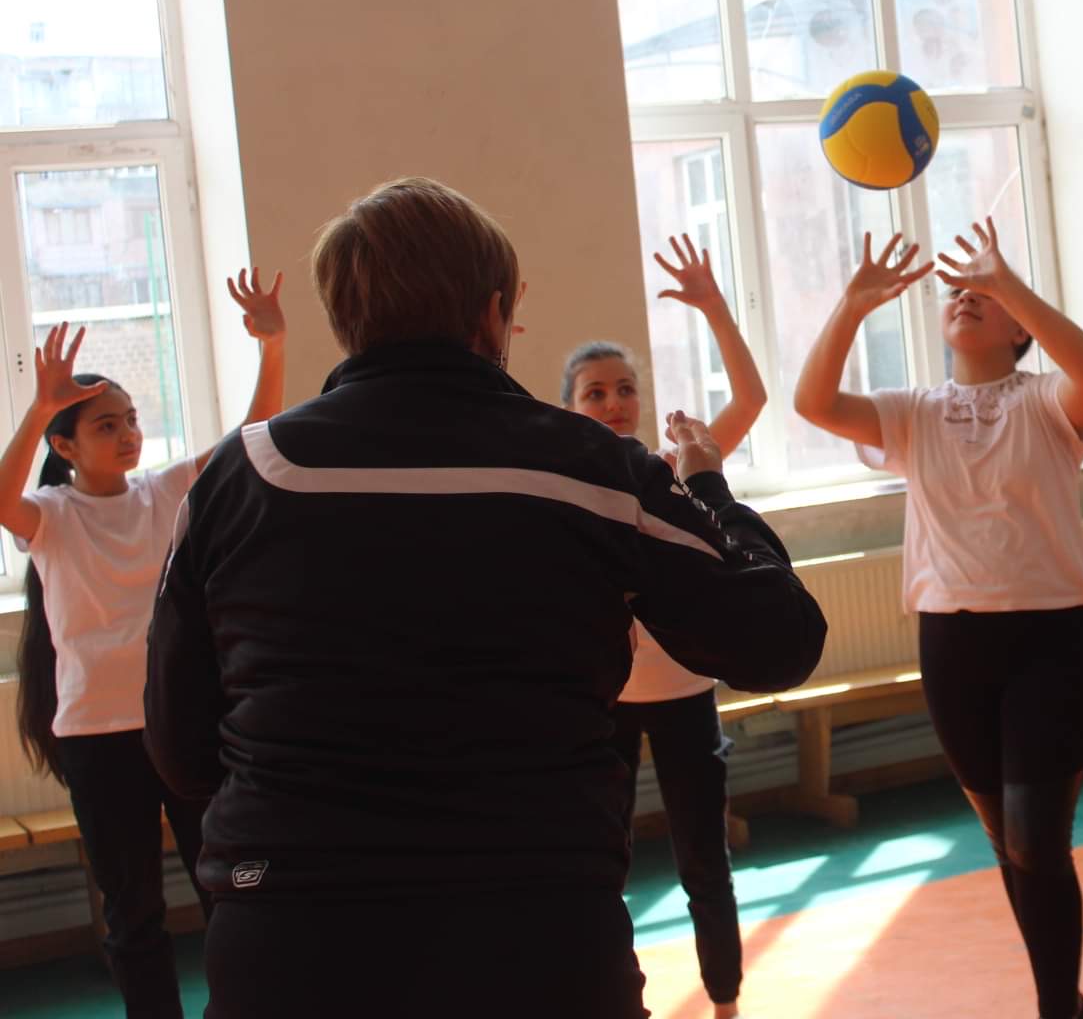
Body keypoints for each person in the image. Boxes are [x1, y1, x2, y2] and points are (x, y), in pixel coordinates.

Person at [143, 178, 825, 1019]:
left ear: (343, 314)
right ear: (494, 313)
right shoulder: (587, 467)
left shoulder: (238, 474)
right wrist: (711, 488)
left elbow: (179, 746)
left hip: (291, 926)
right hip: (534, 927)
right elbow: (781, 638)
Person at [793, 220, 1083, 1019]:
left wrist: (1010, 284)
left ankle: (1054, 1012)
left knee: (1038, 841)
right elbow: (815, 402)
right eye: (957, 295)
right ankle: (1064, 1001)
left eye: (984, 297)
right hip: (953, 643)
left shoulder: (1047, 400)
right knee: (1011, 842)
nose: (966, 300)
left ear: (1016, 326)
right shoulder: (914, 412)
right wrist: (852, 307)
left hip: (1051, 638)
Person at [4, 270, 287, 1019]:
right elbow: (3, 500)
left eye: (131, 419)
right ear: (65, 445)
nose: (128, 433)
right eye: (106, 425)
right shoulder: (53, 516)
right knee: (133, 912)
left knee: (222, 884)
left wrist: (274, 345)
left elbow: (254, 436)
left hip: (181, 722)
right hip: (99, 738)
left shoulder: (163, 492)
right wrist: (39, 406)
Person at [561, 234, 768, 1019]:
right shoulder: (565, 480)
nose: (613, 404)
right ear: (571, 408)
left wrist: (714, 307)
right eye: (594, 394)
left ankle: (724, 1001)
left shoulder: (670, 469)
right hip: (601, 702)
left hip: (683, 693)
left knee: (703, 862)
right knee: (598, 863)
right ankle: (612, 999)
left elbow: (747, 402)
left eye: (623, 390)